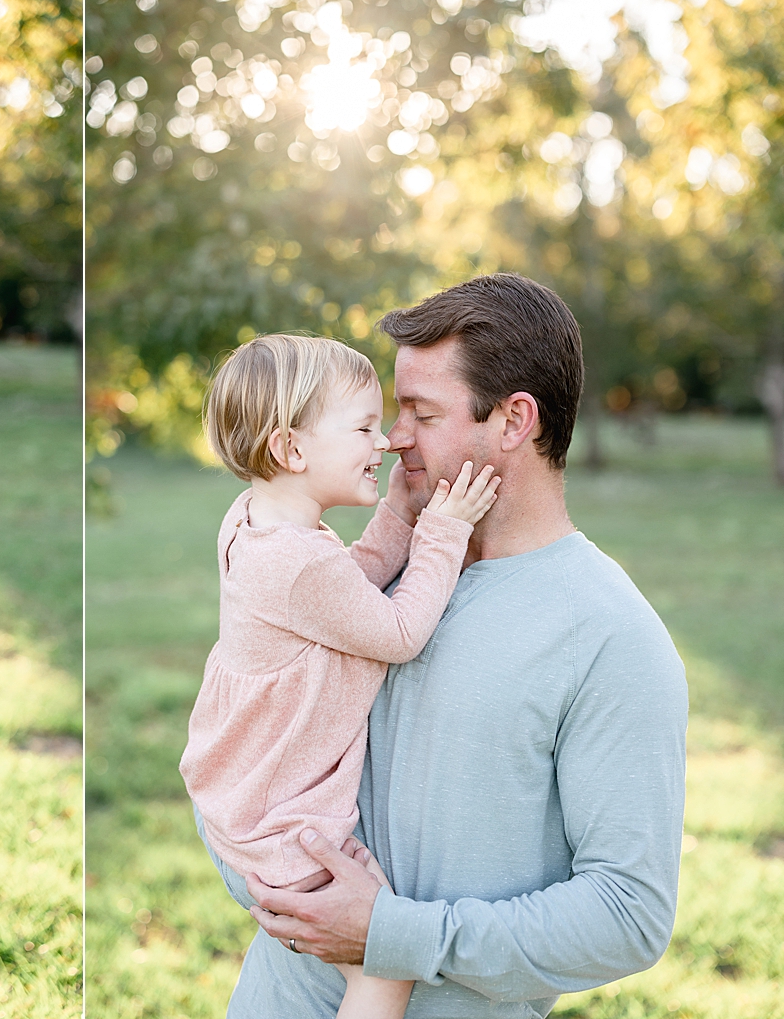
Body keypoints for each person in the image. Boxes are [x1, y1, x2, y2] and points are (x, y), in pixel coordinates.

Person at [230, 274, 689, 1018]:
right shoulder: (371, 574)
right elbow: (246, 738)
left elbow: (628, 915)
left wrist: (395, 935)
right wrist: (275, 885)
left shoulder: (611, 636)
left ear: (513, 420)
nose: (392, 435)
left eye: (422, 411)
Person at [179, 334, 499, 1019]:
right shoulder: (297, 563)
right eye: (361, 427)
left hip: (238, 796)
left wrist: (400, 512)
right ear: (292, 450)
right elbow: (398, 632)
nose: (383, 442)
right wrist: (443, 530)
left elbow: (346, 589)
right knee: (383, 956)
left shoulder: (257, 524)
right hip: (281, 833)